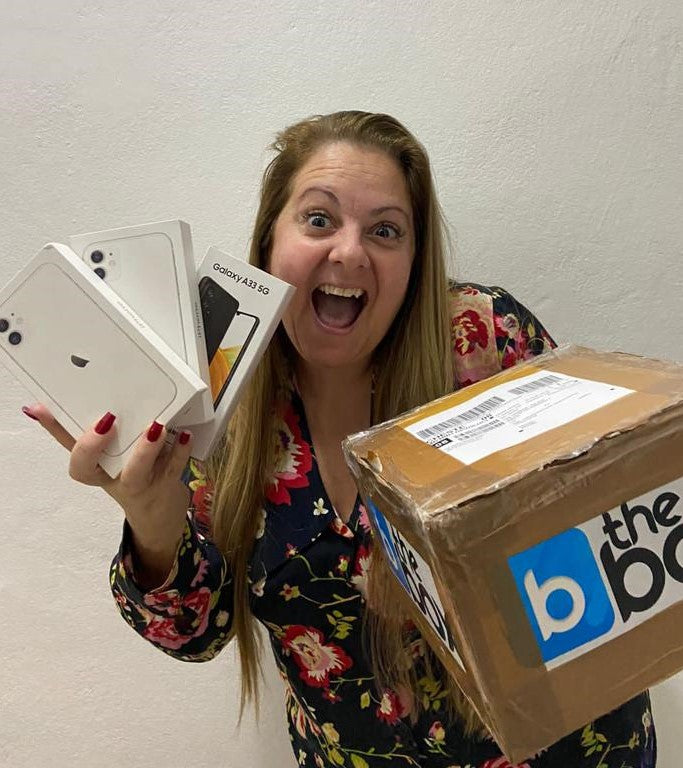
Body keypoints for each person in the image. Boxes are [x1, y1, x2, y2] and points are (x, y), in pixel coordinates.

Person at [25, 111, 656, 768]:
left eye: (385, 230)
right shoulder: (218, 393)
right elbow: (193, 634)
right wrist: (152, 517)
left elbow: (611, 525)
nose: (349, 253)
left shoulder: (484, 340)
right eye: (319, 219)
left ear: (414, 261)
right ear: (269, 241)